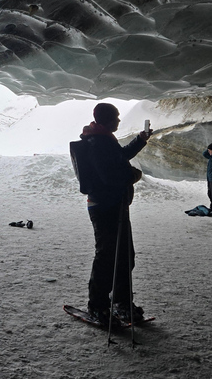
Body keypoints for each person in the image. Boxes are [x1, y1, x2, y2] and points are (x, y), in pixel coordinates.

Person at [70, 103, 151, 326]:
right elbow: (110, 176)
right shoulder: (98, 142)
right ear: (107, 120)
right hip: (105, 206)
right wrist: (132, 176)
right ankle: (98, 306)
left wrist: (141, 139)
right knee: (107, 256)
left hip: (114, 204)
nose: (118, 121)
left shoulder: (103, 139)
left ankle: (121, 302)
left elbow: (120, 156)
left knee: (124, 255)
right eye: (116, 117)